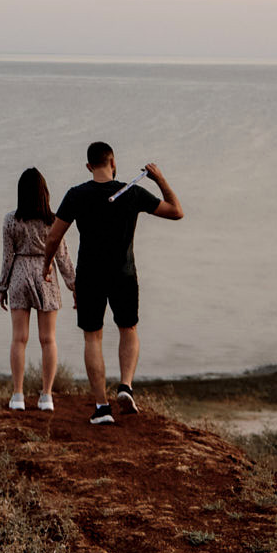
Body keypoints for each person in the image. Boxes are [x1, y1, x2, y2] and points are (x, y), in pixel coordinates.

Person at [40, 142, 184, 426]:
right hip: (124, 274)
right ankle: (126, 386)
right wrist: (160, 179)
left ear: (89, 166)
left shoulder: (76, 195)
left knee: (93, 337)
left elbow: (54, 237)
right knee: (128, 329)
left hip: (90, 275)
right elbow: (176, 211)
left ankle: (102, 407)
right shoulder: (132, 193)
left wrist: (45, 266)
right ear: (113, 162)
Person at [0, 167, 77, 410]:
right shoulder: (53, 220)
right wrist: (74, 285)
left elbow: (8, 257)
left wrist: (2, 285)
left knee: (19, 339)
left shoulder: (11, 220)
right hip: (47, 276)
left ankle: (18, 395)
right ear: (45, 192)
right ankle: (46, 396)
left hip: (20, 275)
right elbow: (62, 256)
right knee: (48, 339)